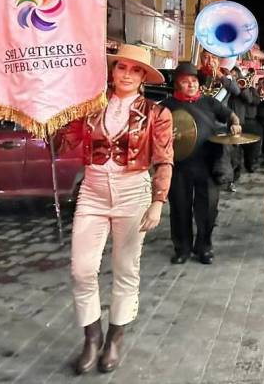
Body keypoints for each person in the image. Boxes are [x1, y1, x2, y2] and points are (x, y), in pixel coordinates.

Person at [57, 44, 173, 374]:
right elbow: (64, 144)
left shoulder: (156, 113)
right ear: (113, 70)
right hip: (92, 191)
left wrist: (158, 201)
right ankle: (91, 337)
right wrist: (56, 117)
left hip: (132, 192)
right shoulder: (91, 107)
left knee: (125, 268)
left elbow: (164, 159)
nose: (127, 74)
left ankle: (114, 339)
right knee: (82, 268)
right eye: (122, 67)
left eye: (135, 70)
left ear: (143, 77)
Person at [161, 62, 241, 265]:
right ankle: (182, 248)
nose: (191, 85)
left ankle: (204, 247)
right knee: (180, 208)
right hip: (179, 165)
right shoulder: (167, 106)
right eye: (185, 82)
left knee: (208, 210)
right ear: (177, 85)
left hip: (207, 164)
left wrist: (235, 123)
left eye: (194, 81)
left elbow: (229, 114)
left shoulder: (209, 102)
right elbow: (155, 132)